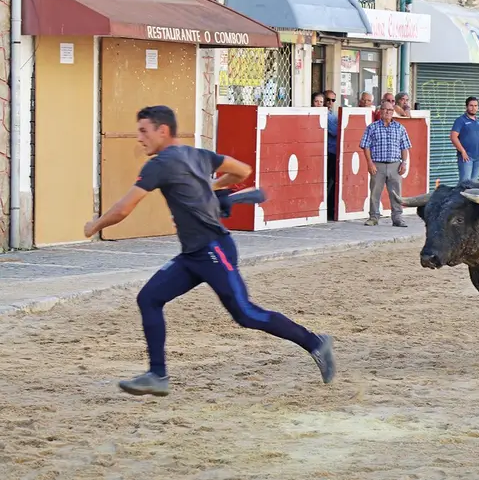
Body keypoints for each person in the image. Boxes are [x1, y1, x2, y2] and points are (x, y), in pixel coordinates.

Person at [83, 106, 336, 397]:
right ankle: (157, 375)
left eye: (144, 131)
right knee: (149, 298)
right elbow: (242, 170)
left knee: (246, 314)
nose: (140, 138)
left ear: (162, 131)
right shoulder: (198, 155)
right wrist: (211, 186)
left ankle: (316, 343)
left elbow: (123, 208)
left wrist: (94, 225)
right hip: (193, 255)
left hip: (214, 250)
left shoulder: (160, 164)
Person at [361, 100, 412, 227]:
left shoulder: (400, 128)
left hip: (395, 164)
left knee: (396, 193)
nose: (387, 112)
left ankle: (397, 218)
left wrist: (404, 163)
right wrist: (370, 163)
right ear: (380, 111)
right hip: (377, 164)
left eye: (390, 110)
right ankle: (373, 217)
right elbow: (365, 146)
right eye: (385, 109)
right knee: (375, 192)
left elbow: (404, 147)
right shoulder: (372, 127)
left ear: (393, 112)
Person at [450, 96, 479, 183]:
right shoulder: (460, 120)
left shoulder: (478, 121)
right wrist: (463, 152)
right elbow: (453, 137)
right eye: (471, 105)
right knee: (464, 184)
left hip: (478, 158)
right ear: (466, 107)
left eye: (476, 106)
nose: (473, 108)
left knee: (473, 184)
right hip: (466, 158)